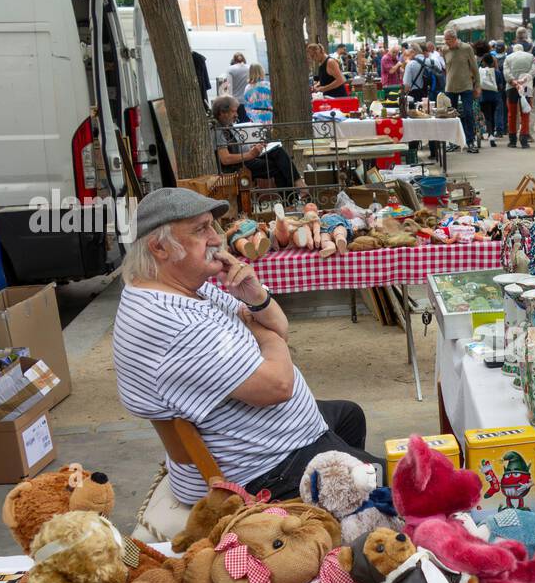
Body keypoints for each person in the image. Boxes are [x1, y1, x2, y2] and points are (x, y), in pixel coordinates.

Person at [112, 187, 376, 505]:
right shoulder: (171, 322)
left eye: (213, 225)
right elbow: (278, 386)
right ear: (159, 247)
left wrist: (256, 297)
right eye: (201, 229)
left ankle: (339, 512)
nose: (216, 238)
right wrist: (263, 333)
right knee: (399, 486)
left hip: (270, 442)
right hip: (261, 470)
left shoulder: (184, 289)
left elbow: (280, 327)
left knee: (350, 416)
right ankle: (346, 519)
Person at [212, 95, 301, 189]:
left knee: (278, 152)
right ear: (222, 112)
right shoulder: (218, 130)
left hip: (244, 160)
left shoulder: (227, 125)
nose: (236, 115)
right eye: (233, 111)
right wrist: (250, 154)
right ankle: (295, 193)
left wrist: (254, 148)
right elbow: (225, 159)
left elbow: (237, 148)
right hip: (237, 167)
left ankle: (296, 189)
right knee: (278, 166)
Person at [443, 27, 481, 153]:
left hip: (466, 86)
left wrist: (478, 85)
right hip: (450, 87)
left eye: (447, 39)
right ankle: (453, 142)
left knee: (468, 113)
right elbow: (447, 68)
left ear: (454, 38)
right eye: (445, 39)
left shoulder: (466, 48)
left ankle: (470, 142)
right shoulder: (445, 49)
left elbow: (475, 68)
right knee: (451, 116)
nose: (446, 42)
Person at [503, 41, 535, 148]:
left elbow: (506, 72)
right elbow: (534, 70)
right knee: (526, 111)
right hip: (526, 86)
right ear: (522, 49)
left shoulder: (508, 58)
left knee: (512, 113)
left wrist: (514, 81)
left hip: (511, 87)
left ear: (514, 50)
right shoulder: (531, 56)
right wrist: (524, 79)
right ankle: (524, 139)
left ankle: (512, 140)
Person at [478, 52, 504, 148]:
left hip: (484, 97)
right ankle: (491, 134)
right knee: (492, 115)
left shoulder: (480, 72)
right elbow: (500, 86)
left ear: (484, 62)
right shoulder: (497, 72)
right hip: (494, 97)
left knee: (486, 116)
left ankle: (490, 134)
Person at [227, 53, 250, 120]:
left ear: (234, 60)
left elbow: (229, 87)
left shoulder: (230, 69)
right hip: (248, 102)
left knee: (237, 124)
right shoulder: (249, 68)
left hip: (235, 102)